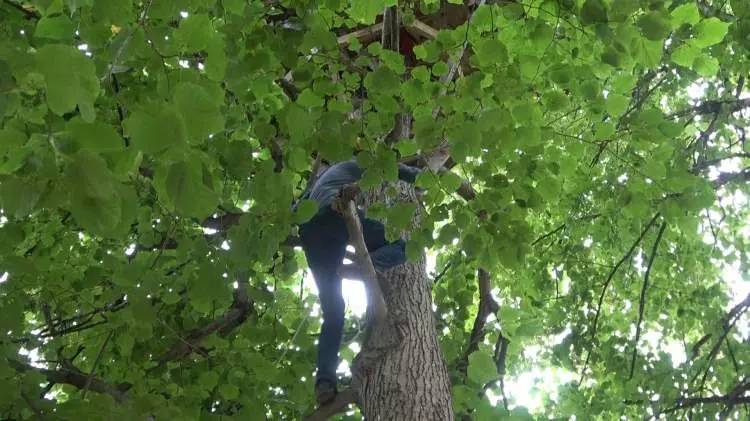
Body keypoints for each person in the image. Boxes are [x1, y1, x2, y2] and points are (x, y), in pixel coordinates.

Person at [296, 159, 421, 405]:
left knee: (334, 313)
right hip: (335, 214)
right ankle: (364, 266)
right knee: (405, 246)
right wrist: (424, 177)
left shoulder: (313, 188)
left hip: (311, 235)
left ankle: (325, 381)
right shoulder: (350, 165)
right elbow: (389, 167)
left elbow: (294, 211)